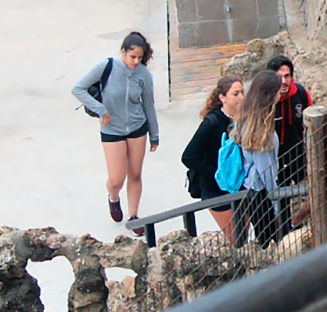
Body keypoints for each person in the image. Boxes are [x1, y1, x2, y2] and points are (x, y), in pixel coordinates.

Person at [72, 31, 160, 237]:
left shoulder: (144, 75)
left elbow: (149, 105)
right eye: (132, 57)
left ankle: (134, 216)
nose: (136, 62)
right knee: (116, 179)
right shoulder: (107, 66)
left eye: (140, 58)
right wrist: (101, 109)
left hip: (137, 127)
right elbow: (78, 89)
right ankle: (113, 198)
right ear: (123, 52)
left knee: (135, 174)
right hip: (112, 128)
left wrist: (154, 134)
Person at [181, 75, 244, 242]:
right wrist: (216, 174)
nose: (241, 97)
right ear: (222, 98)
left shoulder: (244, 119)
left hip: (240, 185)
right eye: (235, 94)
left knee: (244, 234)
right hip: (216, 190)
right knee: (236, 238)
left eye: (242, 92)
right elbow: (188, 156)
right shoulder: (212, 123)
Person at [231, 70, 285, 249]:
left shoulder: (246, 118)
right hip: (261, 193)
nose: (280, 95)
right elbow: (266, 171)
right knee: (271, 242)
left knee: (265, 239)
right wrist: (276, 203)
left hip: (250, 189)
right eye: (278, 92)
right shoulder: (261, 130)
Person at [266, 56, 316, 235]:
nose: (283, 81)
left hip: (299, 157)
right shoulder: (265, 101)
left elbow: (314, 127)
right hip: (274, 163)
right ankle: (282, 236)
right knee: (279, 206)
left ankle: (295, 223)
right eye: (279, 77)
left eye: (287, 76)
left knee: (315, 196)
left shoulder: (301, 94)